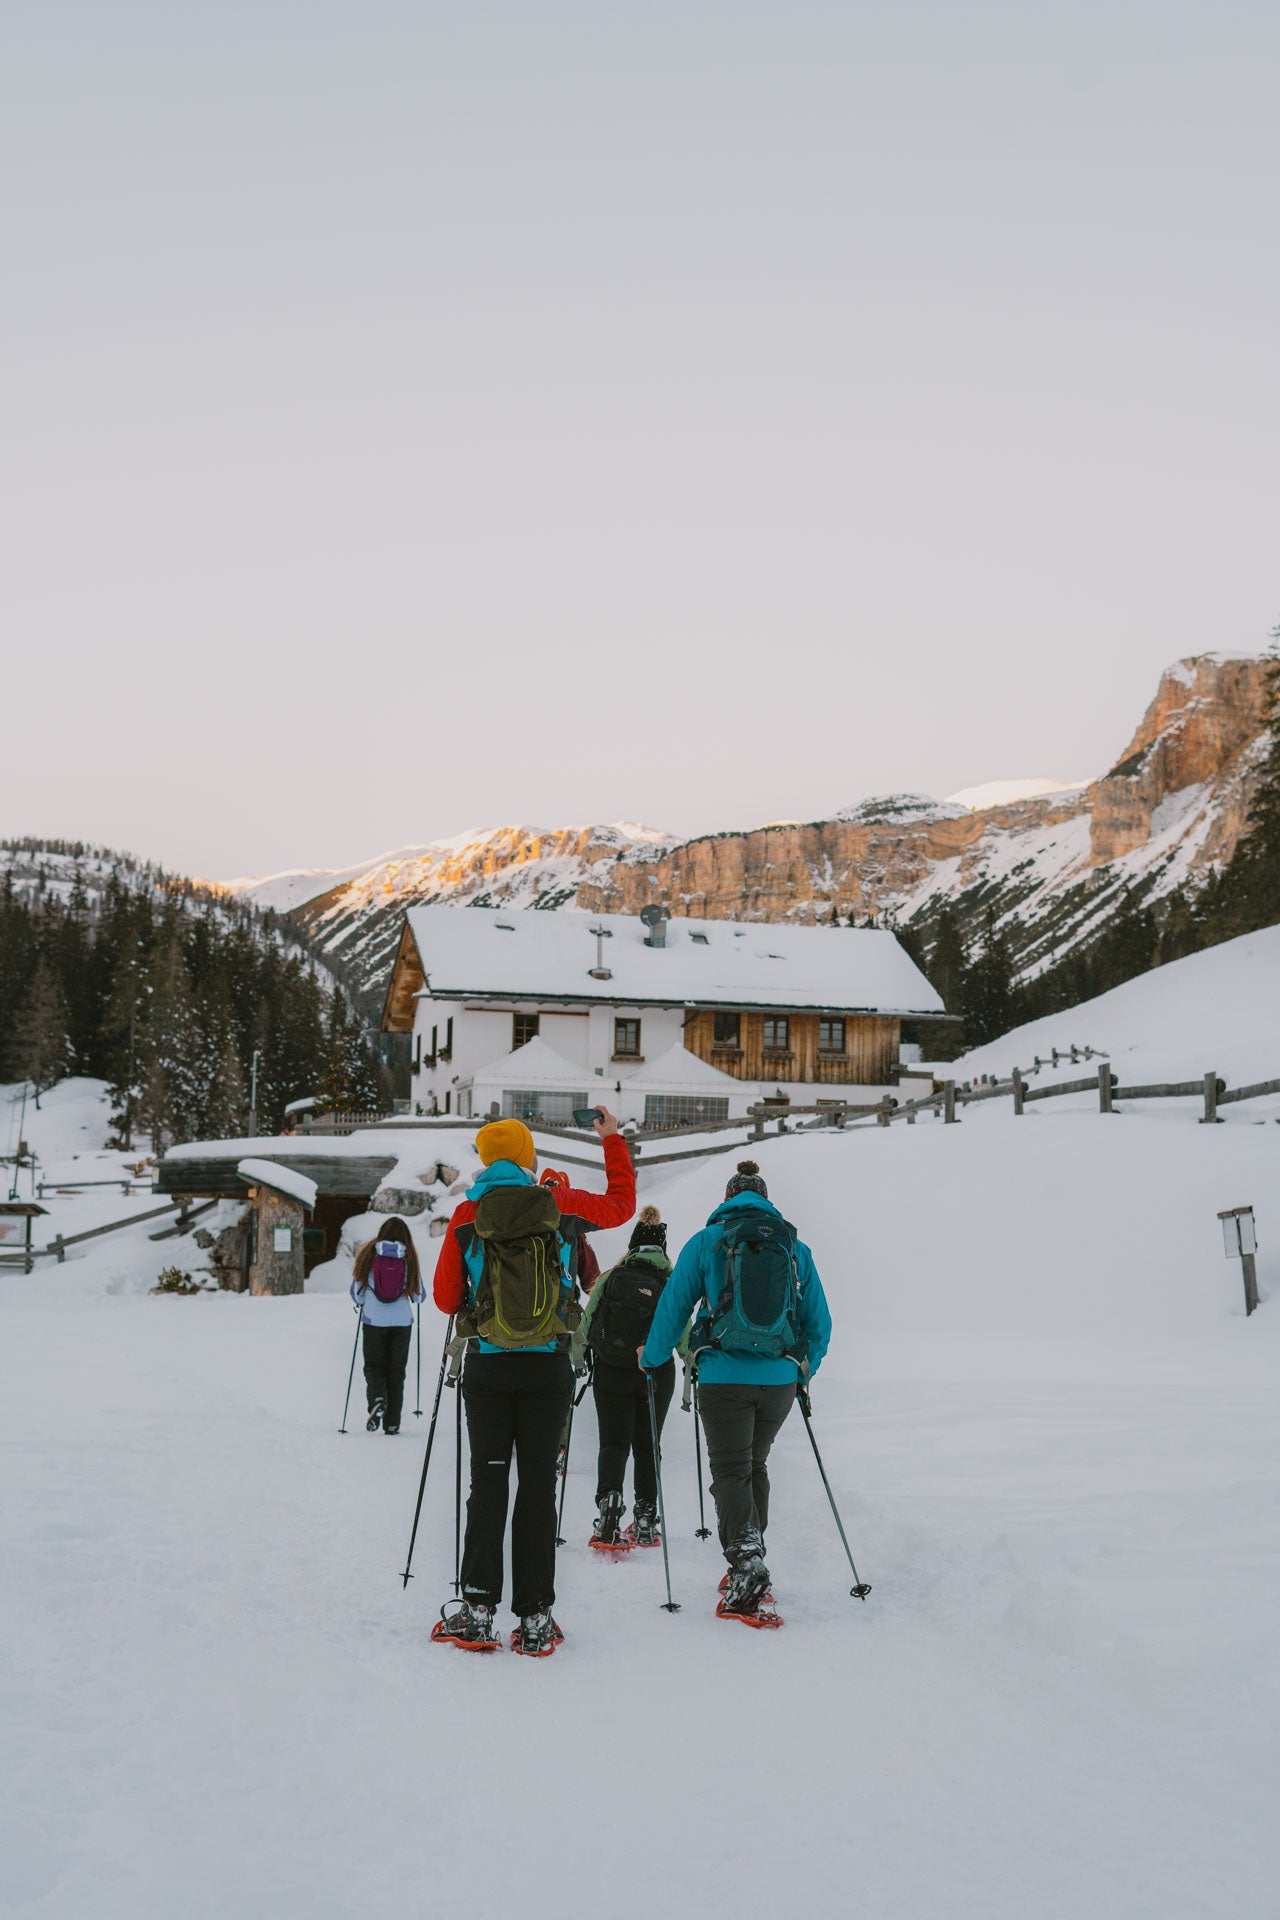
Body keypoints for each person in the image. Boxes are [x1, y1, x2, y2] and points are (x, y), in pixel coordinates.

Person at [431, 1109, 635, 1656]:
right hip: (549, 1368)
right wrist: (611, 1139)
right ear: (527, 1158)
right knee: (540, 1485)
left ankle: (477, 1608)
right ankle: (537, 1616)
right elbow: (622, 1206)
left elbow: (447, 1300)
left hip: (489, 1369)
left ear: (482, 1159)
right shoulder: (560, 1206)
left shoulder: (466, 1216)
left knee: (488, 1483)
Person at [641, 1159, 832, 1623]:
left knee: (729, 1469)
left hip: (724, 1377)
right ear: (765, 1200)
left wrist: (652, 1358)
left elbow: (674, 1309)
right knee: (754, 1465)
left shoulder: (707, 1242)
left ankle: (746, 1562)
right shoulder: (794, 1247)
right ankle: (751, 1553)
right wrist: (803, 1372)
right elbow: (819, 1324)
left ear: (727, 1199)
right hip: (779, 1380)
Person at [580, 1206, 679, 1549]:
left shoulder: (610, 1278)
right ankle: (646, 1516)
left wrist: (577, 1360)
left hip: (610, 1369)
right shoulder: (671, 1282)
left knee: (612, 1443)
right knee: (647, 1444)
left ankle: (608, 1508)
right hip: (655, 1373)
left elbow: (587, 1326)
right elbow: (683, 1334)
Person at [349, 1217, 423, 1435]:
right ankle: (392, 1424)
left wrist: (363, 1304)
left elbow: (356, 1291)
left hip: (374, 1320)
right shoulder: (409, 1256)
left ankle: (377, 1399)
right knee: (396, 1370)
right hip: (402, 1321)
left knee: (374, 1365)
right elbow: (420, 1296)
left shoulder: (369, 1253)